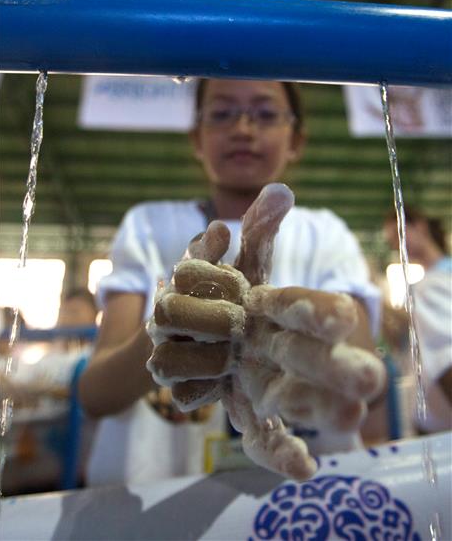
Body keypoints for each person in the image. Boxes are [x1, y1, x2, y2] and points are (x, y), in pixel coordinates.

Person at [78, 79, 384, 485]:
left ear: (296, 139)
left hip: (304, 500)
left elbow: (364, 371)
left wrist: (290, 338)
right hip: (159, 494)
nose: (243, 128)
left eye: (265, 113)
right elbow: (96, 394)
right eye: (222, 113)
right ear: (197, 138)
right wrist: (163, 333)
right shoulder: (147, 226)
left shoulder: (326, 233)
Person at [383, 206, 452, 434]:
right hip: (431, 414)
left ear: (419, 227)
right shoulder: (418, 288)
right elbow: (402, 341)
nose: (396, 245)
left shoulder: (434, 283)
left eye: (398, 235)